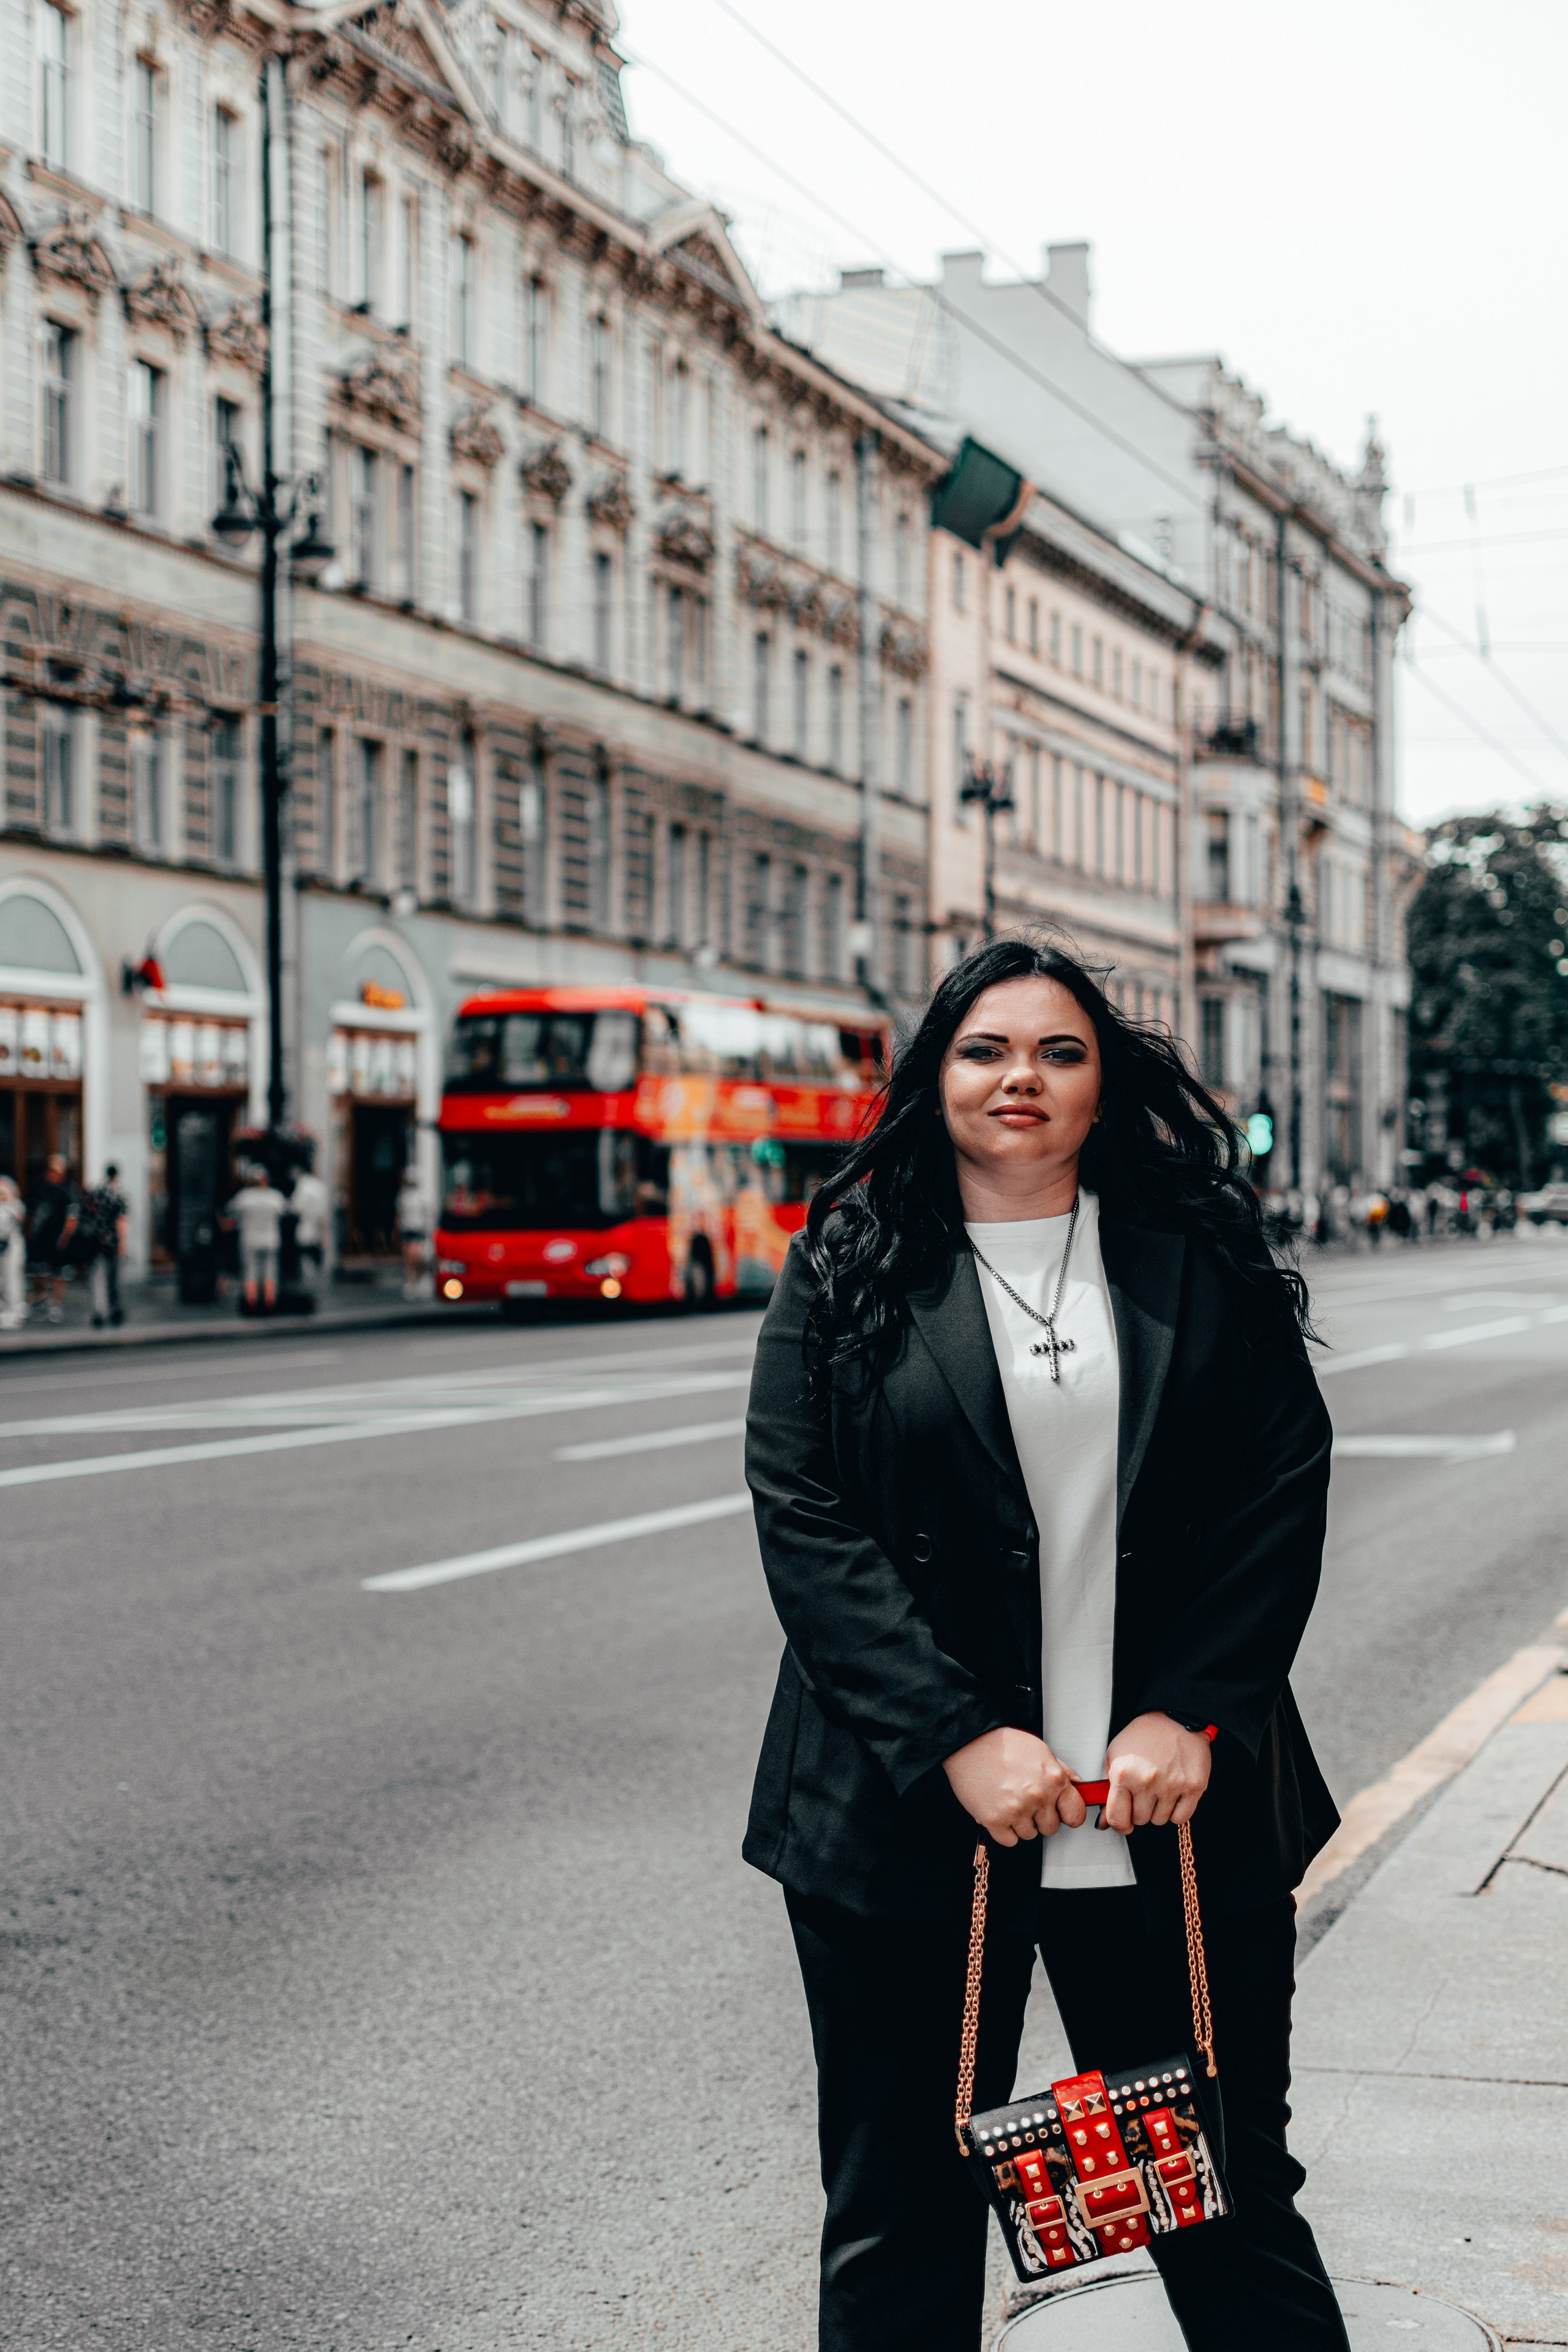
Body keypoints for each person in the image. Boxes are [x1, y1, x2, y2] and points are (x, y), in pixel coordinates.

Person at [744, 937, 1346, 2352]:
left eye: (1058, 1052)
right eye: (984, 1049)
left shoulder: (1196, 1257)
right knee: (898, 2213)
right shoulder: (848, 1262)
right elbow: (803, 1512)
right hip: (911, 1821)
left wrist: (1189, 1709)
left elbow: (1280, 1487)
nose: (1020, 1077)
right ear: (934, 1076)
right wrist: (952, 1732)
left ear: (1100, 1086)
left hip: (1162, 1821)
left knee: (1217, 2197)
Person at [225, 1166, 286, 1314]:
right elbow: (285, 1212)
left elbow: (230, 1212)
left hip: (250, 1239)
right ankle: (269, 1304)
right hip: (271, 1240)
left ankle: (251, 1305)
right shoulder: (276, 1196)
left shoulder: (244, 1197)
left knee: (250, 1272)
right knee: (270, 1272)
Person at [27, 1152, 78, 1324]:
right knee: (37, 1270)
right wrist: (32, 1233)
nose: (53, 1174)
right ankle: (41, 1298)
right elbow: (32, 1213)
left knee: (59, 1273)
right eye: (51, 1170)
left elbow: (72, 1217)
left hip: (59, 1237)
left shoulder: (68, 1189)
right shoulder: (40, 1187)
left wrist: (65, 1238)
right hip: (41, 1237)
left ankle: (56, 1304)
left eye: (56, 1171)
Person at [81, 1163, 130, 1327]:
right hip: (112, 1241)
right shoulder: (119, 1193)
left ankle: (98, 1312)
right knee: (114, 1278)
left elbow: (86, 1207)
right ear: (116, 1175)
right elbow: (121, 1220)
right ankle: (114, 1310)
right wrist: (123, 1243)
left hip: (95, 1240)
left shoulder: (96, 1191)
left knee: (96, 1277)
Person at [290, 1159, 331, 1291]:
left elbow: (295, 1208)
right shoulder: (321, 1186)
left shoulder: (302, 1184)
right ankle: (313, 1288)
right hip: (317, 1229)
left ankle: (307, 1287)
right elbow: (323, 1215)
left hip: (305, 1228)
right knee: (315, 1259)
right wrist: (325, 1235)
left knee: (304, 1259)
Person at [396, 1161, 430, 1299]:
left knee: (416, 1256)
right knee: (408, 1258)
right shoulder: (403, 1196)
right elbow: (399, 1214)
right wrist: (397, 1229)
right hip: (407, 1229)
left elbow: (427, 1214)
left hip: (418, 1229)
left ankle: (421, 1279)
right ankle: (411, 1282)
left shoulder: (422, 1196)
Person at [0, 1174, 25, 1330]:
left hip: (11, 1248)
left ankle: (14, 1311)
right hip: (3, 1249)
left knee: (12, 1280)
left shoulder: (15, 1207)